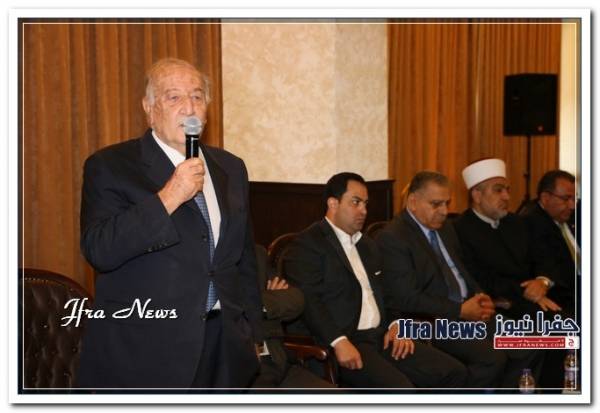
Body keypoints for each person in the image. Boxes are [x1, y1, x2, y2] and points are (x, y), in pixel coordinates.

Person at [77, 58, 263, 388]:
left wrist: (254, 333)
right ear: (149, 108)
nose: (188, 107)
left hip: (225, 345)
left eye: (197, 96)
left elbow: (243, 257)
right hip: (147, 350)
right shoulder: (111, 165)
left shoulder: (231, 167)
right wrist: (170, 196)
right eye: (174, 97)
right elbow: (99, 250)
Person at [283, 172, 467, 388]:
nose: (363, 210)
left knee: (453, 372)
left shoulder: (367, 245)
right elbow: (309, 302)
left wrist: (397, 324)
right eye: (356, 202)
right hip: (346, 341)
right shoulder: (307, 245)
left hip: (383, 336)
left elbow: (387, 293)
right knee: (401, 390)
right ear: (333, 203)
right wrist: (338, 341)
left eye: (365, 203)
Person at [376, 171, 541, 389]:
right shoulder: (393, 237)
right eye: (436, 204)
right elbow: (405, 298)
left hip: (467, 310)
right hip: (433, 321)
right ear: (413, 202)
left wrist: (481, 295)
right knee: (491, 358)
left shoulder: (446, 228)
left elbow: (460, 272)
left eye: (447, 203)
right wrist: (460, 310)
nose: (444, 211)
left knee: (531, 343)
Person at [454, 159, 562, 320]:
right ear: (477, 195)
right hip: (500, 307)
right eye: (498, 190)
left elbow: (544, 257)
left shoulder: (518, 222)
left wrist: (542, 282)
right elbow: (480, 279)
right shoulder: (459, 230)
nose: (506, 196)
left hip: (540, 298)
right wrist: (528, 291)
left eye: (507, 190)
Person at [250, 246, 335, 388]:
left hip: (278, 361)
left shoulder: (257, 252)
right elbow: (227, 307)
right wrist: (271, 302)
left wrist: (259, 304)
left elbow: (296, 300)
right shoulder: (211, 264)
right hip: (244, 374)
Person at [521, 170, 578, 318]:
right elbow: (550, 268)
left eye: (574, 198)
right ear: (545, 198)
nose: (572, 205)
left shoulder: (571, 216)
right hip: (565, 298)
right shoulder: (531, 223)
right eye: (566, 199)